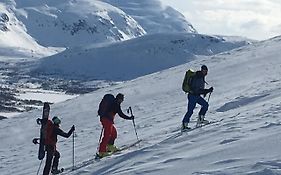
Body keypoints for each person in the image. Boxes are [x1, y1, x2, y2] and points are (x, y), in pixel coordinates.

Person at [98, 93, 134, 158]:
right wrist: (130, 118)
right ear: (119, 99)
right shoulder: (116, 104)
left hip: (106, 119)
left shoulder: (113, 103)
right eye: (122, 100)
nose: (122, 101)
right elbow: (121, 114)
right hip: (107, 120)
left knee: (114, 133)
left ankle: (110, 147)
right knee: (107, 135)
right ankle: (102, 152)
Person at [182, 65, 214, 130]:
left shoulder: (201, 76)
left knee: (205, 105)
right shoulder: (197, 77)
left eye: (206, 71)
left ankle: (201, 119)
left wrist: (206, 91)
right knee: (190, 111)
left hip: (196, 96)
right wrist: (207, 91)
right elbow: (196, 90)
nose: (205, 72)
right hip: (192, 96)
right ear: (202, 70)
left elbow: (199, 90)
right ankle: (184, 125)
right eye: (204, 70)